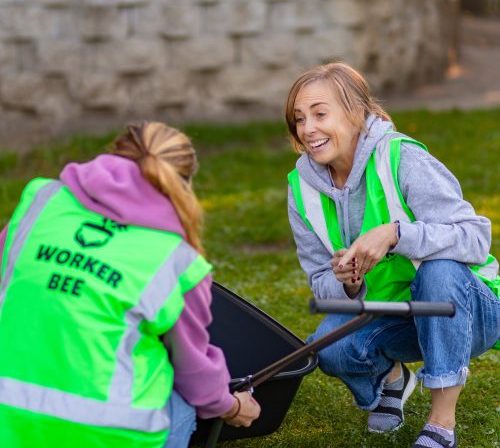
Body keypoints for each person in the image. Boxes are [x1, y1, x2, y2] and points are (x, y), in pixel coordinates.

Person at [0, 122, 261, 447]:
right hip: (107, 432)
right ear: (186, 184)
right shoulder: (178, 259)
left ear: (114, 153)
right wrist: (232, 405)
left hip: (7, 417)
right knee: (181, 400)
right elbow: (194, 374)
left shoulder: (41, 199)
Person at [285, 62, 500, 448]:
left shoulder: (403, 158)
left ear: (356, 112)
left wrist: (395, 234)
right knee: (330, 344)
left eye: (320, 113)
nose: (308, 129)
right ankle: (393, 379)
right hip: (399, 316)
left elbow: (475, 238)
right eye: (299, 119)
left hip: (468, 310)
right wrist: (348, 282)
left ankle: (440, 424)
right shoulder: (301, 188)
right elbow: (320, 281)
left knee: (440, 270)